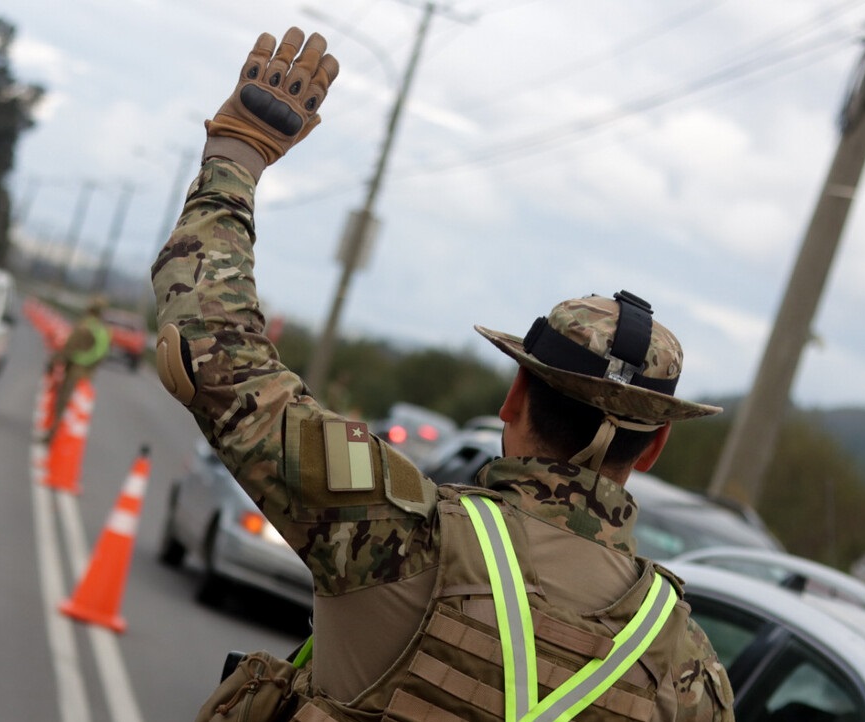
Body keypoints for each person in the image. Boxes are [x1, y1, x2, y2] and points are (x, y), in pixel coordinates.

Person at [152, 27, 734, 721]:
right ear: (656, 446)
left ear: (514, 397)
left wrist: (236, 154)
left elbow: (211, 347)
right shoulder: (688, 671)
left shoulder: (399, 530)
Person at [44, 296, 111, 443]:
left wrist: (54, 361)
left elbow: (69, 348)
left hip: (74, 371)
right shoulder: (102, 331)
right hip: (88, 374)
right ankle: (67, 438)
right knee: (77, 409)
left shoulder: (84, 326)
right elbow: (101, 355)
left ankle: (53, 435)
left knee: (63, 402)